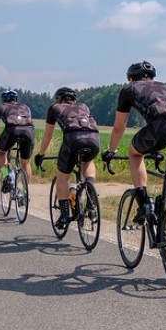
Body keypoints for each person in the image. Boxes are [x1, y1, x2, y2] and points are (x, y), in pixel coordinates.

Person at [101, 61, 166, 261]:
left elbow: (119, 127)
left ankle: (144, 203)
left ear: (131, 78)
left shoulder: (129, 88)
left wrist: (111, 150)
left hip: (161, 130)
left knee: (135, 153)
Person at [34, 87, 100, 229]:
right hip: (94, 139)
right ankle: (90, 189)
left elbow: (48, 135)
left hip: (73, 139)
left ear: (59, 99)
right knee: (88, 161)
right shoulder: (84, 106)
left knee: (62, 178)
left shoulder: (55, 107)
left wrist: (41, 154)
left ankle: (64, 216)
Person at [0, 90, 35, 193]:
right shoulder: (25, 107)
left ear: (3, 100)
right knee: (25, 162)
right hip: (29, 131)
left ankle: (7, 175)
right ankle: (25, 192)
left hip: (12, 130)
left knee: (1, 153)